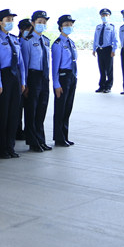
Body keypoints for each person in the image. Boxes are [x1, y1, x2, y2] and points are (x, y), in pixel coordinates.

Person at [0, 8, 25, 160]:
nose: (10, 22)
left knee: (13, 115)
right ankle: (1, 148)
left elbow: (21, 62)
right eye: (8, 19)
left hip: (15, 77)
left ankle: (10, 147)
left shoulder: (15, 39)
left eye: (12, 20)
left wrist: (23, 81)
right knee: (1, 115)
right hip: (2, 77)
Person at [21, 10, 52, 152]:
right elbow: (25, 63)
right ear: (33, 23)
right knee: (31, 110)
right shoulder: (27, 41)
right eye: (39, 22)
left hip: (44, 77)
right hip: (32, 77)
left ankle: (41, 139)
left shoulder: (46, 40)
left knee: (41, 110)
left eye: (44, 22)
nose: (42, 24)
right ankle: (33, 141)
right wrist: (25, 83)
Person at [50, 14, 78, 147]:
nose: (69, 27)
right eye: (66, 25)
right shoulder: (58, 44)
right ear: (60, 27)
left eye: (70, 25)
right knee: (60, 108)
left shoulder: (71, 42)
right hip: (62, 77)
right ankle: (59, 137)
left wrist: (75, 76)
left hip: (72, 77)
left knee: (68, 108)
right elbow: (55, 66)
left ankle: (65, 135)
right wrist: (56, 83)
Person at [92, 8, 116, 93]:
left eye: (106, 15)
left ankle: (108, 86)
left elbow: (115, 39)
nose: (104, 17)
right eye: (103, 15)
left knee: (109, 69)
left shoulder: (111, 27)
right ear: (100, 16)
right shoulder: (98, 27)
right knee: (101, 68)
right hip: (100, 50)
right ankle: (101, 86)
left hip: (108, 49)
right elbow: (95, 38)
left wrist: (113, 50)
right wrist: (94, 49)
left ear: (109, 16)